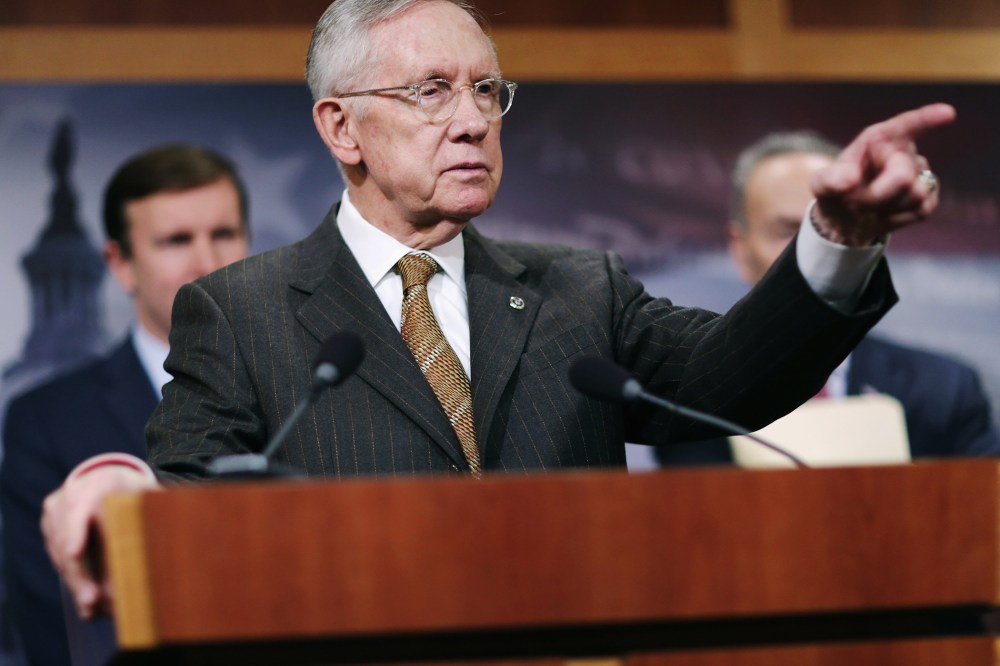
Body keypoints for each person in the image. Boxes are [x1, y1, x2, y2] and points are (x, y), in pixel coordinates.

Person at [42, 0, 953, 624]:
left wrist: (835, 234)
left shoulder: (578, 289)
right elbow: (191, 503)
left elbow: (733, 377)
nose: (474, 119)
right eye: (431, 91)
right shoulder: (238, 311)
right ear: (340, 128)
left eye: (488, 90)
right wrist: (122, 484)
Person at [0, 144, 251, 666]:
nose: (209, 262)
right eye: (176, 241)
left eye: (224, 234)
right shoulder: (44, 421)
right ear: (120, 264)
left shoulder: (315, 387)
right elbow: (53, 615)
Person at [656, 131, 1000, 466]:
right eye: (789, 231)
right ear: (740, 248)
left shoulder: (944, 389)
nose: (813, 248)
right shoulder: (690, 402)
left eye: (833, 224)